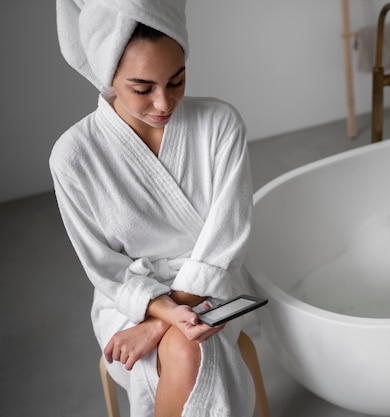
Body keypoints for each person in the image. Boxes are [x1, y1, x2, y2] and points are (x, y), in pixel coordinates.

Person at [51, 1, 255, 416]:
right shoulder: (73, 156)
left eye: (177, 81)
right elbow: (104, 267)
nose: (164, 103)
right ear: (108, 77)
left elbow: (225, 242)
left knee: (187, 347)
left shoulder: (220, 124)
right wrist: (155, 311)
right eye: (142, 89)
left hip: (212, 287)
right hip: (128, 301)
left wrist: (159, 325)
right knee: (191, 351)